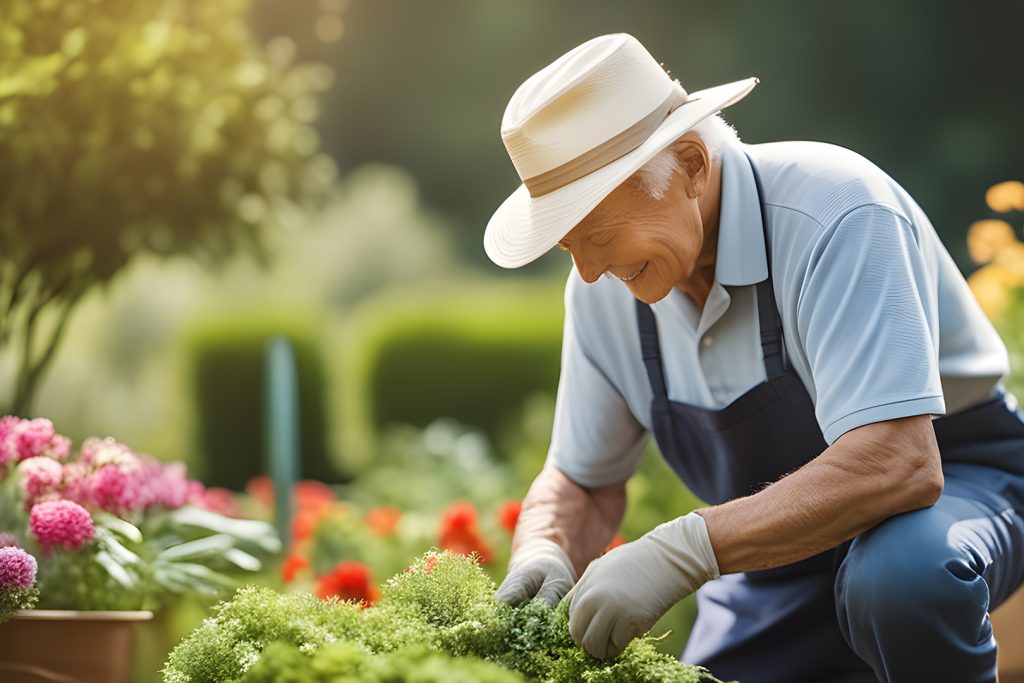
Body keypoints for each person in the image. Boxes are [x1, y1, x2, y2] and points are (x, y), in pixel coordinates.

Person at [484, 33, 1024, 683]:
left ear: (690, 163)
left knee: (900, 578)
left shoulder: (836, 210)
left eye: (598, 234)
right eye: (571, 247)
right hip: (771, 562)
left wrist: (680, 550)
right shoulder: (604, 293)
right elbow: (584, 477)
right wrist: (546, 544)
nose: (591, 271)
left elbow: (898, 461)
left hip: (954, 495)